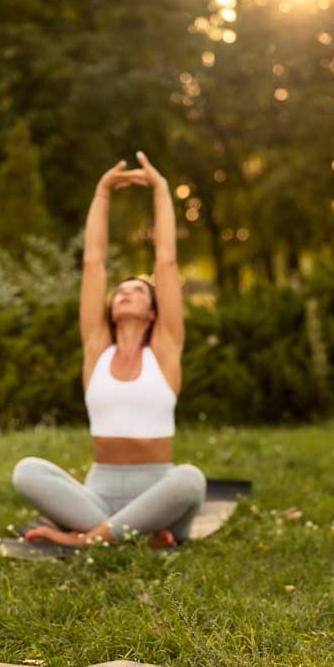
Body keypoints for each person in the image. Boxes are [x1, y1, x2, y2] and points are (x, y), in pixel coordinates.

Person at [12, 152, 206, 549]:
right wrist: (102, 194)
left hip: (160, 494)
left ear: (154, 312)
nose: (124, 294)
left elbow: (166, 262)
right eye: (120, 291)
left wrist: (162, 189)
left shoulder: (166, 350)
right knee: (25, 471)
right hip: (97, 496)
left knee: (190, 479)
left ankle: (87, 540)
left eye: (137, 290)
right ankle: (130, 535)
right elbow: (94, 263)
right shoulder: (96, 349)